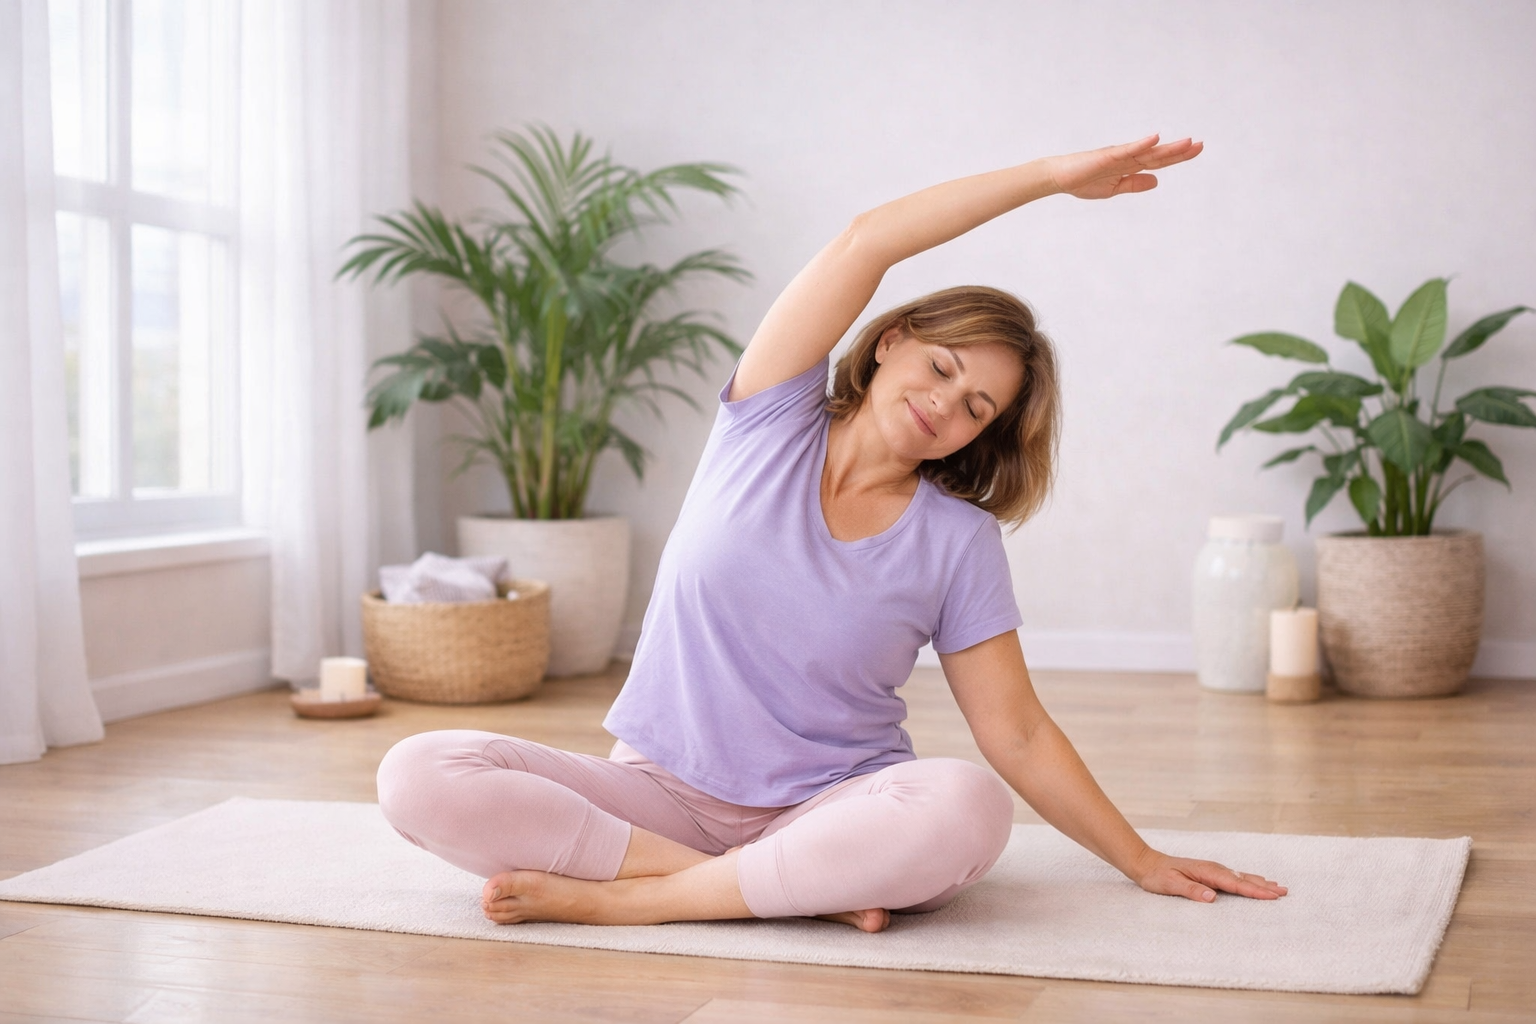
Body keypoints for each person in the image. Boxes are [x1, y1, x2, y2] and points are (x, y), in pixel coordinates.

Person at [376, 134, 1288, 933]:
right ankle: (751, 891)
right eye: (940, 366)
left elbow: (1014, 734)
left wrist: (1142, 860)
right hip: (657, 797)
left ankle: (637, 899)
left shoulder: (957, 541)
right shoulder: (767, 419)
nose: (944, 404)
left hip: (834, 812)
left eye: (976, 407)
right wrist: (1051, 176)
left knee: (966, 805)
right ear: (889, 340)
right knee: (417, 772)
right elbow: (870, 239)